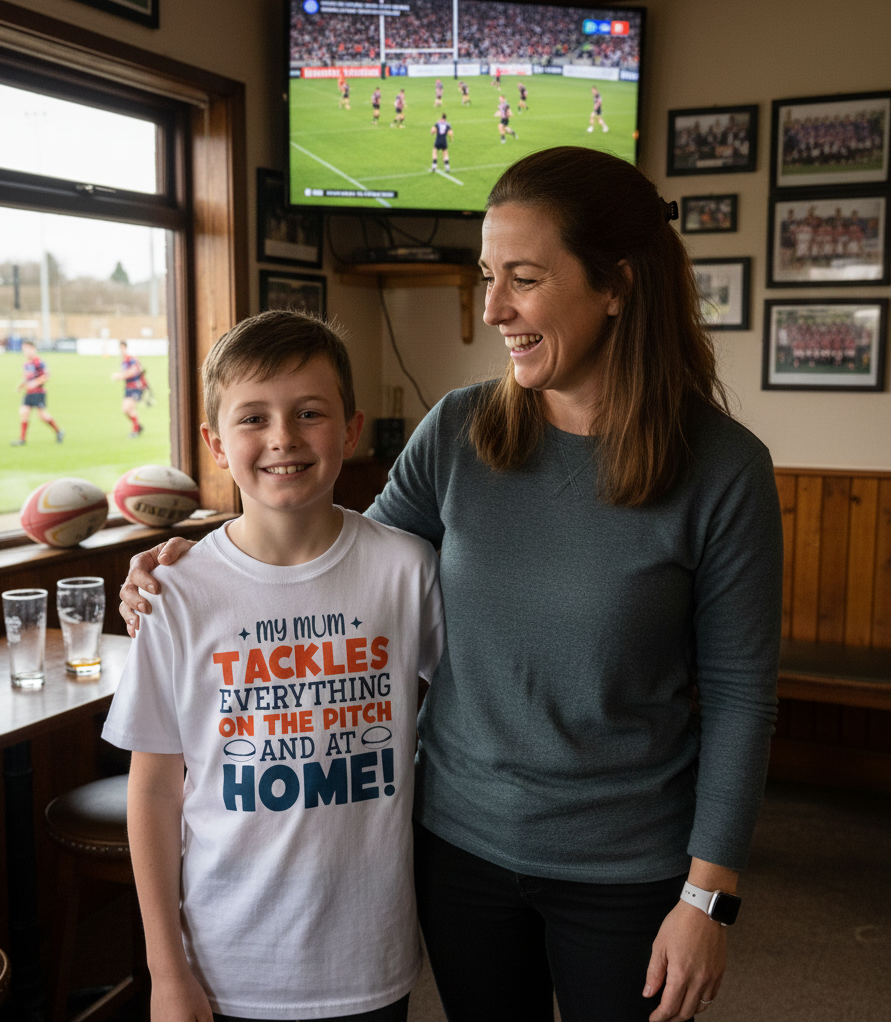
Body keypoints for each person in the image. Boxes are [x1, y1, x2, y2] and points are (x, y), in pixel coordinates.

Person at [120, 147, 784, 1022]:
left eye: (523, 278)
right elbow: (333, 553)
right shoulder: (460, 431)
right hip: (458, 851)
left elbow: (741, 697)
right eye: (486, 276)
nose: (493, 308)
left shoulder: (723, 470)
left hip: (626, 866)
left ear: (617, 284)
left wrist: (708, 895)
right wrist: (205, 554)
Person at [105, 310, 444, 1022]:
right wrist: (165, 972)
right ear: (216, 445)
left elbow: (477, 705)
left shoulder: (405, 569)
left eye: (309, 413)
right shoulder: (175, 591)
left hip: (368, 958)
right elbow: (155, 794)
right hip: (228, 964)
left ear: (351, 431)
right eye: (252, 418)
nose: (283, 438)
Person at [11, 340, 64, 446]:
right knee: (24, 412)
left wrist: (35, 383)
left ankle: (58, 432)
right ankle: (22, 439)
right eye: (24, 350)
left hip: (38, 392)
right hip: (29, 393)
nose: (25, 352)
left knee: (42, 416)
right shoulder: (26, 364)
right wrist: (21, 386)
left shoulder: (39, 362)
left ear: (33, 349)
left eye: (27, 350)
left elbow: (46, 376)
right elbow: (27, 378)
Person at [112, 340, 147, 438]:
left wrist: (120, 376)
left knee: (129, 408)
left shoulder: (132, 359)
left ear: (125, 348)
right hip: (128, 387)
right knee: (125, 409)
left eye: (122, 348)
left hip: (136, 387)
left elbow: (134, 371)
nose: (121, 350)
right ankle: (138, 426)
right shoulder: (123, 361)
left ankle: (135, 430)